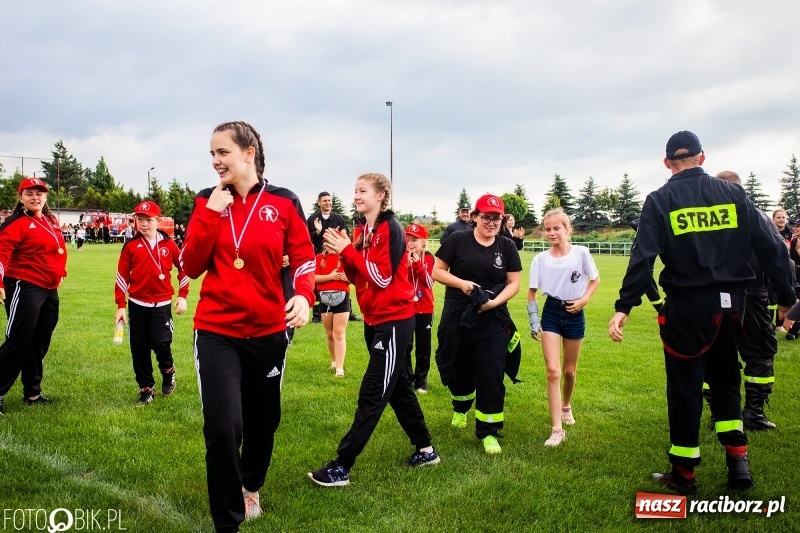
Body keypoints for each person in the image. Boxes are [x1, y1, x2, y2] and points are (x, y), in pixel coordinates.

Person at [608, 131, 796, 495]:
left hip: (687, 308)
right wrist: (786, 298)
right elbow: (774, 246)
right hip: (734, 307)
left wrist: (624, 307)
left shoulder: (660, 200)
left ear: (667, 163)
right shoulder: (734, 194)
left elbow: (642, 259)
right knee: (726, 380)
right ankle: (738, 461)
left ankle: (684, 474)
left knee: (685, 388)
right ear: (702, 158)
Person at [180, 121, 315, 532]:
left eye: (222, 152)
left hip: (269, 332)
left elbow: (303, 256)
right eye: (212, 154)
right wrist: (211, 213)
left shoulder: (284, 201)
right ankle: (228, 522)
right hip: (217, 331)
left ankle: (250, 485)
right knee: (223, 426)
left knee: (262, 422)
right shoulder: (206, 200)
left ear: (248, 153)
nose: (215, 161)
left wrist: (303, 295)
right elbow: (190, 265)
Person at [309, 172, 440, 487]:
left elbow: (382, 277)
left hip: (394, 322)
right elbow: (360, 277)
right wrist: (344, 254)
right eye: (355, 190)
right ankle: (426, 450)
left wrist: (348, 251)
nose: (356, 195)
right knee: (398, 389)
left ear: (381, 195)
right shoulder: (366, 230)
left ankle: (342, 465)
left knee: (372, 392)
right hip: (375, 320)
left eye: (362, 190)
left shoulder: (390, 228)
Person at [432, 194, 522, 455]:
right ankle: (460, 407)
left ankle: (489, 431)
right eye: (486, 217)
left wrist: (493, 303)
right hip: (458, 314)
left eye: (497, 218)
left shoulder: (507, 246)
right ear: (474, 217)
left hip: (493, 316)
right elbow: (437, 271)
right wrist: (462, 284)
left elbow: (514, 283)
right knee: (459, 367)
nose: (491, 222)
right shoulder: (457, 240)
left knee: (491, 371)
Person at [701, 170, 783, 431]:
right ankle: (752, 413)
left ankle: (721, 413)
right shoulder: (754, 215)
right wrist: (785, 294)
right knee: (760, 351)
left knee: (714, 353)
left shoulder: (706, 217)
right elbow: (776, 252)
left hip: (713, 297)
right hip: (751, 294)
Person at [527, 208, 600, 447]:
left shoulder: (581, 253)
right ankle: (557, 430)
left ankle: (566, 405)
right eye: (547, 229)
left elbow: (595, 279)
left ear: (567, 229)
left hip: (575, 313)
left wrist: (584, 300)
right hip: (551, 312)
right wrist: (534, 320)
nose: (551, 233)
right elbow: (531, 292)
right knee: (553, 371)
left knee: (569, 371)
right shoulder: (540, 259)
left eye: (556, 228)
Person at [0, 177, 67, 414]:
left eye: (39, 193)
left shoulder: (50, 220)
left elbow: (58, 249)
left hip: (49, 289)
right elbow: (1, 254)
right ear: (21, 198)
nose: (35, 197)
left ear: (46, 197)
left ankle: (32, 393)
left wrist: (61, 272)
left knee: (39, 340)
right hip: (24, 285)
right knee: (19, 339)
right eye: (29, 193)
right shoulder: (16, 223)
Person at [114, 201, 189, 404]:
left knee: (160, 342)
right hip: (137, 304)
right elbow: (122, 276)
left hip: (161, 305)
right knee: (139, 348)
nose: (144, 224)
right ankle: (146, 389)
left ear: (158, 221)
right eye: (140, 220)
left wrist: (183, 295)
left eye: (149, 220)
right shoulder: (131, 246)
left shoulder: (169, 245)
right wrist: (121, 305)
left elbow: (184, 268)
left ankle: (168, 370)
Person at [306, 192, 362, 323]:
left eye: (329, 200)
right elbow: (307, 239)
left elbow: (344, 235)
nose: (328, 203)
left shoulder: (338, 218)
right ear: (319, 203)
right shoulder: (312, 219)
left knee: (342, 280)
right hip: (320, 255)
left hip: (338, 255)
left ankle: (348, 311)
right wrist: (318, 231)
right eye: (325, 200)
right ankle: (317, 315)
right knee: (318, 284)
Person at [404, 223, 435, 393]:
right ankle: (407, 379)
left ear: (424, 241)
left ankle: (421, 381)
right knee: (406, 346)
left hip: (425, 308)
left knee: (423, 347)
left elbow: (429, 282)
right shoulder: (402, 257)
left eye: (414, 240)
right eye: (408, 239)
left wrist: (417, 265)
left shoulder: (429, 259)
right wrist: (406, 266)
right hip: (406, 307)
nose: (410, 243)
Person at [314, 243, 350, 377]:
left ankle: (339, 368)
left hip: (342, 296)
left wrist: (348, 278)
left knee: (339, 333)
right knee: (329, 334)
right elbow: (313, 277)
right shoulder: (319, 258)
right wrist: (331, 276)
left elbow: (356, 277)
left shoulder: (346, 258)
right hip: (325, 299)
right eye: (327, 243)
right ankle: (334, 361)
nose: (329, 246)